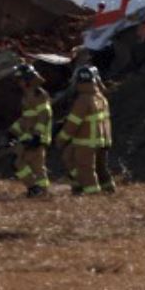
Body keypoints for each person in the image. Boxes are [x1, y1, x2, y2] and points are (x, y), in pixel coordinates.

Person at [55, 66, 112, 196]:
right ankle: (107, 189)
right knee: (99, 167)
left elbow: (73, 124)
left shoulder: (83, 100)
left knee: (85, 168)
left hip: (86, 141)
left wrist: (60, 139)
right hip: (101, 140)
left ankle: (92, 194)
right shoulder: (101, 97)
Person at [8, 63, 53, 198]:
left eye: (20, 80)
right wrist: (13, 130)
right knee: (24, 163)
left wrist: (37, 135)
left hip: (36, 136)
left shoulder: (38, 94)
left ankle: (39, 191)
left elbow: (44, 115)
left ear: (27, 79)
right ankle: (37, 189)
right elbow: (27, 117)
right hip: (29, 135)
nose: (18, 83)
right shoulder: (27, 95)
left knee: (33, 165)